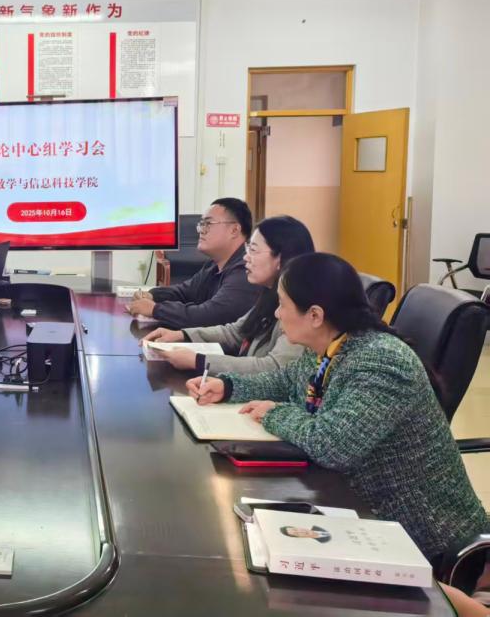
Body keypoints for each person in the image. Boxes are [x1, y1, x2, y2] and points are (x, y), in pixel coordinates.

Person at [188, 252, 489, 562]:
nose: (277, 313)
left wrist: (275, 413)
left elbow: (332, 445)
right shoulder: (332, 344)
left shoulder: (380, 361)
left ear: (315, 315)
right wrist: (229, 387)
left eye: (283, 305)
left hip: (423, 539)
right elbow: (287, 381)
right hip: (358, 508)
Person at [144, 215, 314, 375]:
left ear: (281, 259)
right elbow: (236, 332)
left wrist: (199, 361)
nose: (246, 257)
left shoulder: (299, 307)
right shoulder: (269, 294)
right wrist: (182, 335)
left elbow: (274, 368)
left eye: (253, 250)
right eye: (248, 249)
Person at [127, 198, 262, 329]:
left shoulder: (246, 270)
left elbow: (209, 316)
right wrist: (152, 295)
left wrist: (156, 309)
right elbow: (184, 292)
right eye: (201, 224)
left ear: (234, 230)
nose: (201, 230)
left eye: (208, 224)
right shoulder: (214, 265)